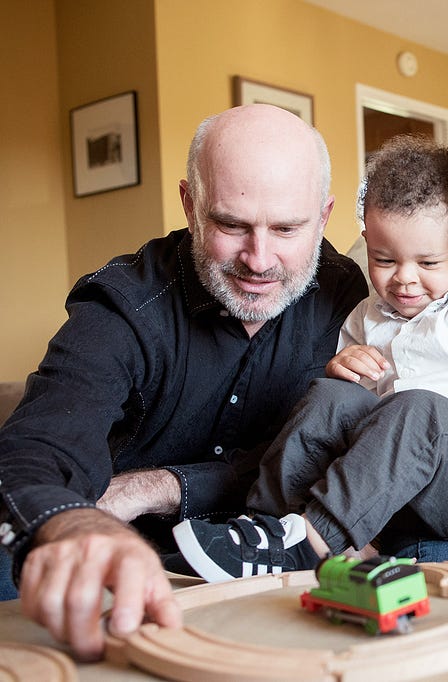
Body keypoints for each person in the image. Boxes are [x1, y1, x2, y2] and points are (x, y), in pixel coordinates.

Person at [0, 103, 367, 660]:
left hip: (279, 549)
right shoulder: (125, 305)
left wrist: (162, 486)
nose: (259, 259)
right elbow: (36, 446)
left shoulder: (348, 295)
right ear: (190, 206)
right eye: (231, 225)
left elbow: (345, 447)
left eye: (288, 228)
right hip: (133, 560)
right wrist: (71, 523)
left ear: (323, 217)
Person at [171, 136, 448, 583]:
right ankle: (264, 530)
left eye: (428, 262)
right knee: (330, 396)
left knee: (419, 409)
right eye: (384, 259)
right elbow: (354, 412)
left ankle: (314, 542)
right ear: (367, 241)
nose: (404, 279)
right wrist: (344, 370)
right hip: (392, 494)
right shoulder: (367, 314)